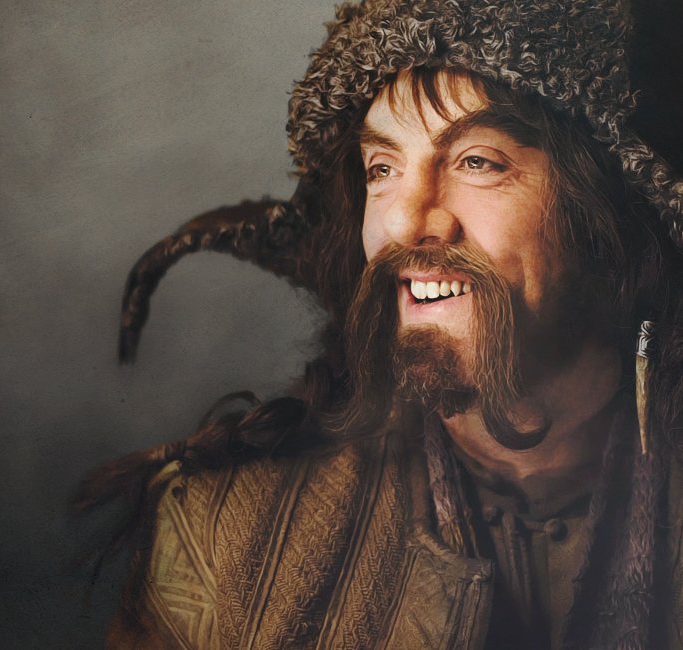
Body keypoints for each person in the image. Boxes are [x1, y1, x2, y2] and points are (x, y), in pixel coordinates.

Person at [76, 0, 683, 647]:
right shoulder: (223, 545)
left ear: (609, 210)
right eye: (382, 169)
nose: (404, 220)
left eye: (477, 161)